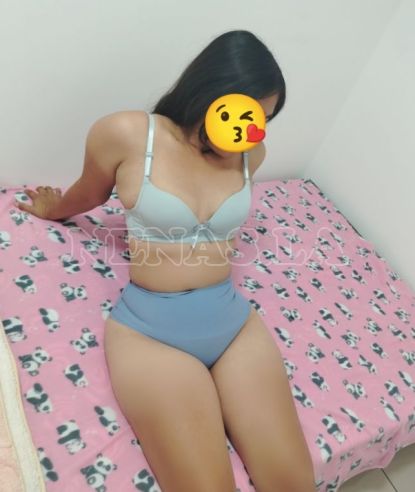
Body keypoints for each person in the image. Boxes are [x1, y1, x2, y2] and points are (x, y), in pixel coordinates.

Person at [19, 30, 315, 492]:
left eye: (263, 119)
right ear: (210, 92)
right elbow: (89, 193)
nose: (252, 131)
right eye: (247, 114)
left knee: (295, 483)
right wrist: (52, 208)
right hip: (151, 333)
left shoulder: (250, 154)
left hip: (232, 323)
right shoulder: (128, 134)